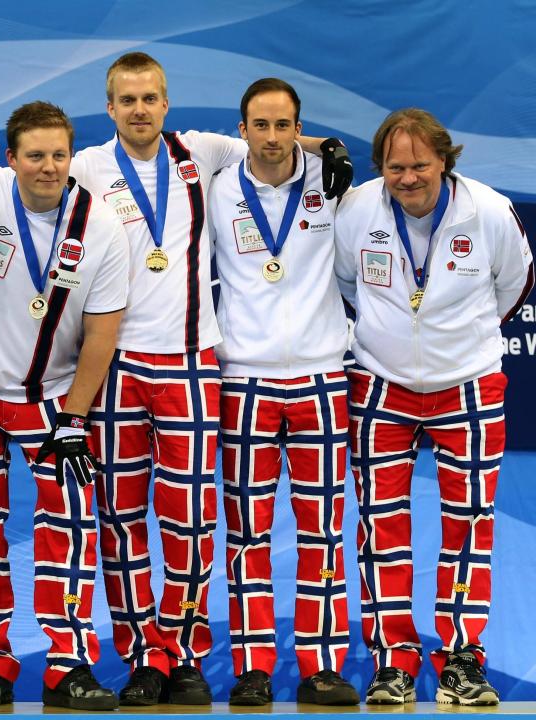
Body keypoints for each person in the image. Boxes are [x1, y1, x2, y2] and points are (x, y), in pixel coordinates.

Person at [67, 52, 353, 705]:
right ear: (110, 108)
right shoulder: (86, 166)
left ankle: (185, 651)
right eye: (127, 100)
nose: (140, 109)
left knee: (194, 525)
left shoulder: (201, 152)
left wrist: (327, 143)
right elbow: (23, 175)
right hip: (116, 368)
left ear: (168, 104)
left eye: (151, 98)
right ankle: (145, 657)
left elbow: (274, 137)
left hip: (195, 366)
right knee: (122, 523)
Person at [334, 108, 533, 706]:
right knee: (379, 528)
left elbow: (516, 284)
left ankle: (462, 662)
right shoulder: (357, 210)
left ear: (445, 160)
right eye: (396, 166)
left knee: (468, 526)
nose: (409, 177)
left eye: (420, 164)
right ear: (381, 169)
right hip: (381, 384)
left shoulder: (490, 212)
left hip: (469, 383)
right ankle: (393, 662)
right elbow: (346, 284)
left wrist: (461, 339)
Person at [0, 100, 129, 710]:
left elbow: (103, 332)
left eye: (59, 155)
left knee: (70, 532)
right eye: (36, 155)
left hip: (54, 401)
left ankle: (67, 667)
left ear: (73, 158)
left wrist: (75, 417)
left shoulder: (103, 229)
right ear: (11, 158)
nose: (48, 167)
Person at [208, 78, 356, 706]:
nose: (272, 138)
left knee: (322, 529)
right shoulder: (214, 187)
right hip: (244, 379)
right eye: (260, 126)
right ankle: (252, 666)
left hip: (323, 377)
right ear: (241, 130)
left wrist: (330, 147)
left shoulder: (335, 181)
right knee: (248, 532)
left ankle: (323, 665)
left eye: (284, 125)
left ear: (300, 128)